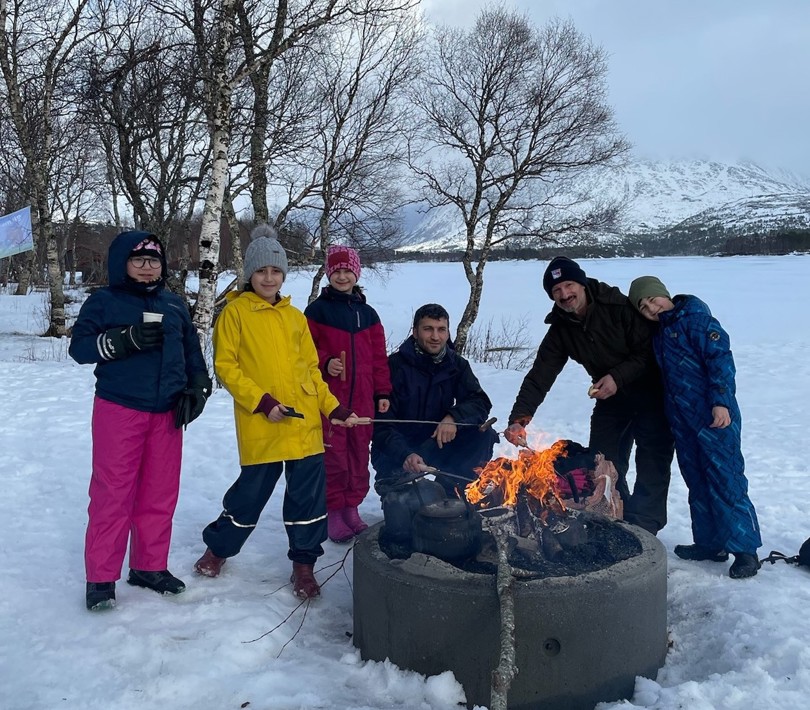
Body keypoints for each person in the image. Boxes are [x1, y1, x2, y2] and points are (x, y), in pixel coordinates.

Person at [193, 225, 359, 600]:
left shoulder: (295, 317)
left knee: (307, 500)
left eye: (276, 271)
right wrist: (263, 402)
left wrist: (332, 408)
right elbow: (226, 367)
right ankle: (218, 549)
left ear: (283, 274)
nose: (269, 278)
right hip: (262, 421)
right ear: (250, 274)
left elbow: (311, 372)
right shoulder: (234, 313)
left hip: (303, 426)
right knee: (248, 496)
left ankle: (304, 566)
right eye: (262, 271)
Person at [69, 231, 212, 611]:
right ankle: (101, 577)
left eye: (154, 261)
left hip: (167, 412)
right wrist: (121, 340)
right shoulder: (104, 301)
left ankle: (149, 566)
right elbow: (79, 347)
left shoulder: (175, 304)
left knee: (159, 493)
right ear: (122, 264)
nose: (148, 268)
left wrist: (197, 388)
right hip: (120, 408)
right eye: (139, 260)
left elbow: (192, 352)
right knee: (112, 493)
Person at [504, 256, 674, 534]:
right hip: (611, 402)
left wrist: (617, 377)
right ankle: (616, 519)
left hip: (651, 395)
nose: (564, 294)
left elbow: (647, 352)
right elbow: (540, 376)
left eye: (569, 285)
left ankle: (645, 531)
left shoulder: (617, 307)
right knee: (603, 465)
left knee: (652, 466)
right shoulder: (561, 328)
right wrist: (519, 419)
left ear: (582, 284)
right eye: (556, 290)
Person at [628, 276, 762, 578]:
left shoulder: (698, 320)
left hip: (714, 417)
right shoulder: (661, 332)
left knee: (727, 480)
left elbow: (721, 362)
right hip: (683, 422)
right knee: (698, 481)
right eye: (644, 306)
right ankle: (710, 544)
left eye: (653, 299)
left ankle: (745, 551)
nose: (651, 307)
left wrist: (721, 401)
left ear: (664, 294)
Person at [304, 245, 391, 543]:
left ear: (356, 273)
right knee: (335, 456)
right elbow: (303, 353)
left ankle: (352, 507)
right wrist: (326, 361)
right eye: (337, 271)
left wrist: (382, 392)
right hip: (332, 400)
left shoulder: (368, 314)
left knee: (357, 456)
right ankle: (334, 511)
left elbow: (380, 357)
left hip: (363, 398)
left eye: (347, 271)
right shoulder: (317, 311)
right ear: (329, 274)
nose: (342, 276)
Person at [371, 303, 498, 495]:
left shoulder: (457, 364)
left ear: (448, 333)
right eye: (428, 329)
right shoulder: (394, 366)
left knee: (483, 434)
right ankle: (396, 487)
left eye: (441, 330)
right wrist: (405, 454)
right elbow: (381, 425)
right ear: (415, 332)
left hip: (436, 442)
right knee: (404, 506)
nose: (435, 337)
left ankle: (453, 490)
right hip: (397, 450)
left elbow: (479, 402)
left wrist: (453, 418)